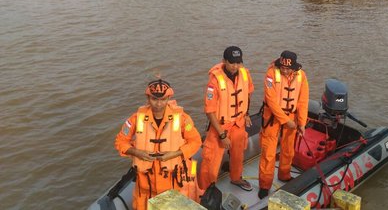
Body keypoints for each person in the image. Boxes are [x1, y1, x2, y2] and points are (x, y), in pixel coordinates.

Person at [114, 79, 202, 210]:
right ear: (148, 98)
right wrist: (136, 152)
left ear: (169, 98)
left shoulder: (183, 118)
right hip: (145, 186)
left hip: (173, 183)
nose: (159, 104)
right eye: (154, 99)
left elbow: (195, 141)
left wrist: (175, 154)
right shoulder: (135, 119)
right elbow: (120, 141)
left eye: (163, 99)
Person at [198, 46, 254, 192]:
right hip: (220, 127)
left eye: (238, 62)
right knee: (210, 160)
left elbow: (248, 93)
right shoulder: (215, 81)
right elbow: (209, 111)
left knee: (238, 154)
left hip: (238, 123)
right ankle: (205, 190)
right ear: (224, 61)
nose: (235, 66)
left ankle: (236, 178)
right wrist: (222, 135)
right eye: (232, 63)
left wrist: (246, 113)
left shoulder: (244, 74)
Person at [258, 50, 309, 199]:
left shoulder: (302, 76)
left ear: (294, 68)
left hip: (292, 117)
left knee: (288, 149)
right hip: (272, 118)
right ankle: (265, 185)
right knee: (268, 153)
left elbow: (303, 101)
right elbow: (271, 101)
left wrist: (302, 123)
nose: (285, 70)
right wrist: (286, 121)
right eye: (283, 67)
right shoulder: (271, 74)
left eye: (288, 68)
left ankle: (284, 175)